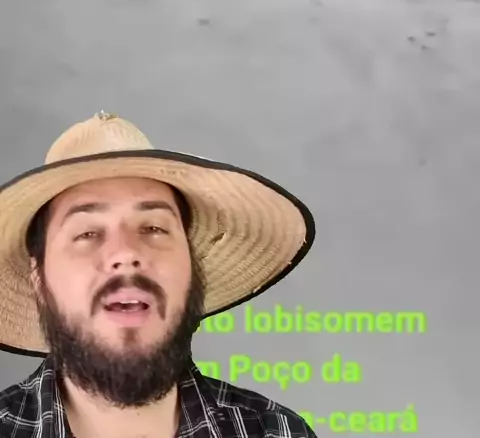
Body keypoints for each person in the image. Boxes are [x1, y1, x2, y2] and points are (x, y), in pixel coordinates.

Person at [0, 111, 317, 438]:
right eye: (87, 234)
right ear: (39, 280)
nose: (126, 254)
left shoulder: (279, 432)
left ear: (192, 266)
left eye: (153, 228)